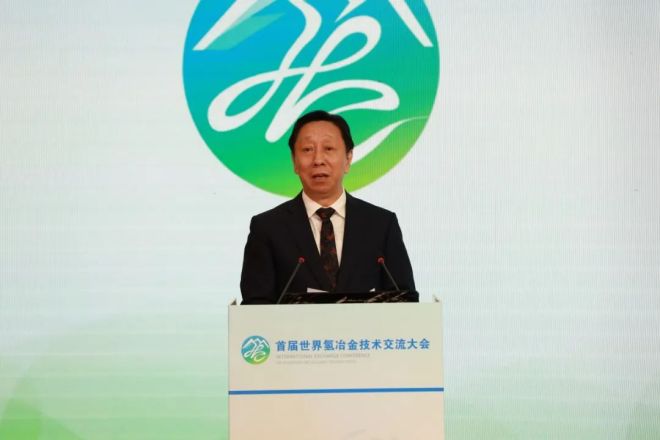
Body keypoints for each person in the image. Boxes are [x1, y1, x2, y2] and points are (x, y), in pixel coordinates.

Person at [240, 110, 416, 304]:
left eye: (329, 148)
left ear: (348, 158)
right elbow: (255, 305)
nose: (318, 160)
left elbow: (405, 299)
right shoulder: (267, 228)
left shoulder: (381, 224)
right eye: (307, 149)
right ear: (294, 161)